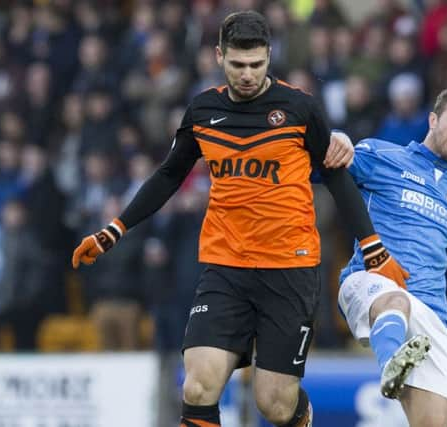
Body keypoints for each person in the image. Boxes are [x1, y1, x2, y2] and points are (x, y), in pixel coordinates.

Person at [72, 11, 407, 427]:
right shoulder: (202, 110)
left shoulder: (300, 108)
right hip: (225, 266)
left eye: (256, 64)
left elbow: (337, 178)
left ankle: (301, 414)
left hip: (289, 268)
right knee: (197, 387)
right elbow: (169, 173)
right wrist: (115, 229)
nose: (247, 74)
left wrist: (372, 247)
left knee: (275, 405)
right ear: (219, 56)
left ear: (268, 57)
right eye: (237, 64)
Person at [338, 84, 447, 427]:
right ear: (433, 119)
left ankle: (399, 362)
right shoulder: (381, 155)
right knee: (396, 302)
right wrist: (335, 137)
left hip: (431, 313)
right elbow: (324, 170)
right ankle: (393, 361)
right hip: (374, 281)